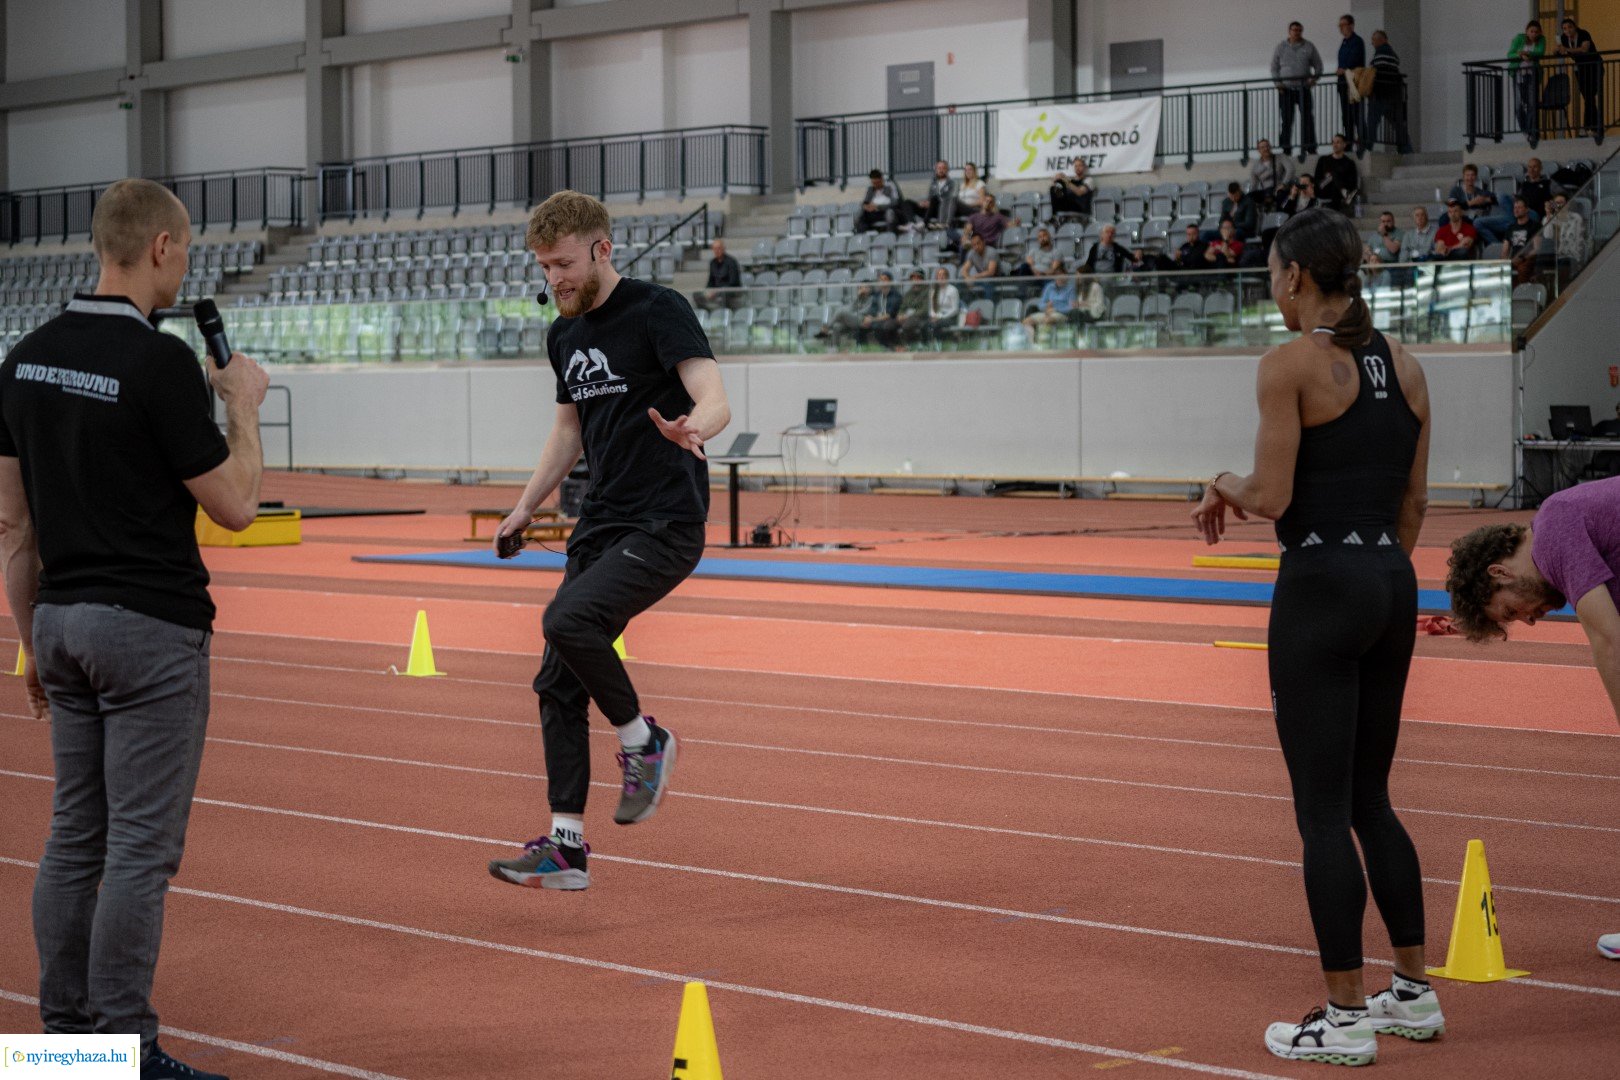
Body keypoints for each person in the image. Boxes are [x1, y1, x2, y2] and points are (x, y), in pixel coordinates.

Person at [0, 178, 270, 1080]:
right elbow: (233, 506)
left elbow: (14, 527)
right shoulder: (155, 364)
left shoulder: (25, 359)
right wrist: (241, 404)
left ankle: (67, 1049)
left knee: (75, 835)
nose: (184, 265)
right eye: (185, 251)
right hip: (149, 629)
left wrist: (30, 638)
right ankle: (125, 1050)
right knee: (139, 852)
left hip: (63, 621)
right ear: (158, 247)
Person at [1193, 206, 1438, 1065]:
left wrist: (1216, 483)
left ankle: (1341, 1020)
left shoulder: (1289, 363)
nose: (1270, 286)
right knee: (1373, 798)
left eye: (1270, 272)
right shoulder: (1407, 366)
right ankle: (1411, 993)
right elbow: (1412, 505)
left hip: (1321, 585)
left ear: (1296, 277)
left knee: (1322, 814)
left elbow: (1271, 497)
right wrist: (1380, 580)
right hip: (1391, 581)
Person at [488, 190, 730, 891]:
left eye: (562, 264)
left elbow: (713, 391)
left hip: (664, 522)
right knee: (555, 681)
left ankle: (644, 743)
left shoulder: (658, 309)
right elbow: (568, 431)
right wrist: (522, 508)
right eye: (542, 268)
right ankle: (566, 848)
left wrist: (698, 426)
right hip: (601, 522)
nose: (553, 279)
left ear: (602, 249)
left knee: (568, 619)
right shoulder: (561, 334)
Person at [1443, 475, 1620, 962]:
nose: (1531, 619)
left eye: (1511, 612)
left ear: (1500, 572)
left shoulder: (1556, 528)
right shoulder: (1566, 527)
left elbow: (1608, 641)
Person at [1272, 21, 1324, 161]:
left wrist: (1313, 79)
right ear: (1289, 31)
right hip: (1286, 90)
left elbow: (1318, 66)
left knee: (1307, 119)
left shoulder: (1309, 46)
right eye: (1294, 30)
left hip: (1303, 89)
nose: (1296, 32)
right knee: (1286, 120)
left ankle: (1310, 147)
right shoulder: (1281, 47)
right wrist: (1278, 83)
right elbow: (1274, 67)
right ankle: (1286, 149)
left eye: (1299, 30)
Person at [1554, 18, 1602, 139]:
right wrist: (1557, 50)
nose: (1567, 30)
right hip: (1580, 70)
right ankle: (1593, 128)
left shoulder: (1584, 34)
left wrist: (1567, 49)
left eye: (1570, 27)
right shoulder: (1564, 39)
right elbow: (1561, 52)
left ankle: (1589, 128)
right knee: (1588, 97)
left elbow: (1584, 49)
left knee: (1590, 97)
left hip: (1594, 67)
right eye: (1564, 28)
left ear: (1575, 27)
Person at [1367, 30, 1413, 154]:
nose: (1372, 43)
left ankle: (1366, 148)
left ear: (1382, 40)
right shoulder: (1392, 55)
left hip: (1381, 95)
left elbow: (1377, 70)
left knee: (1372, 123)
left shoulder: (1382, 53)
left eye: (1374, 40)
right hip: (1394, 95)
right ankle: (1406, 149)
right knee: (1398, 125)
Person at [1334, 14, 1369, 155]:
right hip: (1344, 83)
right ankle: (1348, 144)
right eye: (1340, 25)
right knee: (1346, 116)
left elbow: (1355, 59)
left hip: (1354, 83)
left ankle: (1363, 143)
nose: (1341, 28)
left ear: (1351, 25)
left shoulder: (1357, 41)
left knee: (1356, 114)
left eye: (1343, 25)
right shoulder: (1344, 42)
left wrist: (1345, 69)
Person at [1507, 21, 1546, 147]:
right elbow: (1510, 54)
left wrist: (1526, 54)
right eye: (1531, 31)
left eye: (1536, 32)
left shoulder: (1541, 40)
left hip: (1532, 74)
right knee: (1518, 106)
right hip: (1518, 74)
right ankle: (1525, 131)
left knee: (1531, 104)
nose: (1533, 34)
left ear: (1539, 32)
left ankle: (1531, 132)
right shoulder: (1519, 39)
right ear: (1527, 31)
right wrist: (1520, 55)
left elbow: (1540, 52)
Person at [1022, 271, 1077, 345]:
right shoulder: (1049, 287)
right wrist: (1046, 306)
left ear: (1066, 278)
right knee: (1027, 321)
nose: (1060, 279)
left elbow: (1071, 307)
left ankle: (1044, 344)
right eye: (1058, 277)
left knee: (1047, 320)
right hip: (1046, 312)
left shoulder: (1071, 289)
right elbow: (1041, 304)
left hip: (1062, 314)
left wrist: (1056, 309)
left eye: (1063, 278)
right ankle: (1032, 344)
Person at [1312, 134, 1360, 213]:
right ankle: (1344, 192)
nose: (1335, 145)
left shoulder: (1349, 163)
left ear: (1344, 145)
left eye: (1338, 142)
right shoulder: (1323, 160)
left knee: (1335, 186)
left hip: (1336, 191)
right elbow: (1317, 178)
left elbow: (1352, 182)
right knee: (1333, 174)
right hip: (1323, 187)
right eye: (1333, 142)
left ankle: (1334, 209)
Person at [690, 238, 741, 311]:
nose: (717, 251)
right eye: (715, 249)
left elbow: (733, 282)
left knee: (724, 294)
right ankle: (709, 311)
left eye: (719, 248)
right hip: (716, 290)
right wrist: (707, 291)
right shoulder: (712, 263)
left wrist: (717, 291)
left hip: (729, 291)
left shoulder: (731, 262)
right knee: (697, 294)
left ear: (723, 249)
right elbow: (711, 281)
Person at [889, 269, 930, 348]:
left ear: (922, 279)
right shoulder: (908, 293)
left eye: (918, 278)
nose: (915, 280)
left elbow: (925, 309)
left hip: (920, 317)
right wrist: (900, 315)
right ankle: (893, 346)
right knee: (889, 325)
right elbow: (903, 307)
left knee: (907, 325)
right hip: (906, 317)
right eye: (913, 278)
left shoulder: (927, 292)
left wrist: (908, 316)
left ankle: (911, 345)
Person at [1250, 139, 1296, 209]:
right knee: (1249, 197)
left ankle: (1280, 216)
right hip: (1266, 191)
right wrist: (1251, 194)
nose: (1266, 149)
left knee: (1280, 194)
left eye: (1267, 146)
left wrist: (1284, 184)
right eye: (1262, 147)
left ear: (1270, 147)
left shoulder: (1280, 157)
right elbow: (1254, 184)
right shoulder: (1256, 166)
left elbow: (1291, 169)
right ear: (1258, 150)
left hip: (1280, 188)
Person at [926, 265, 962, 344]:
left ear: (947, 277)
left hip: (950, 317)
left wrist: (940, 317)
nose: (941, 277)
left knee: (936, 325)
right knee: (925, 323)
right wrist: (934, 315)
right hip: (937, 316)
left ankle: (939, 344)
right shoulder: (933, 290)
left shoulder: (953, 290)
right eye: (939, 275)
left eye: (943, 275)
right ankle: (925, 346)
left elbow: (955, 309)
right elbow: (931, 308)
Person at [918, 160, 958, 230]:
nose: (941, 170)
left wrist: (932, 201)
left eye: (943, 168)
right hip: (931, 208)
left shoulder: (952, 183)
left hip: (944, 208)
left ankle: (924, 223)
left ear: (947, 170)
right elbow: (929, 197)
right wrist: (925, 202)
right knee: (908, 203)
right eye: (939, 168)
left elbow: (952, 197)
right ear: (936, 170)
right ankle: (910, 224)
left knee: (934, 199)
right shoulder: (933, 183)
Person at [959, 233, 1000, 301]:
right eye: (974, 245)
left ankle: (988, 306)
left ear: (983, 242)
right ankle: (967, 306)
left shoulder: (992, 252)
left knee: (987, 283)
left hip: (995, 280)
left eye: (978, 243)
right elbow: (964, 270)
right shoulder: (971, 253)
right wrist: (967, 278)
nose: (976, 247)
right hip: (980, 279)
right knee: (960, 281)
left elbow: (991, 272)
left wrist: (974, 277)